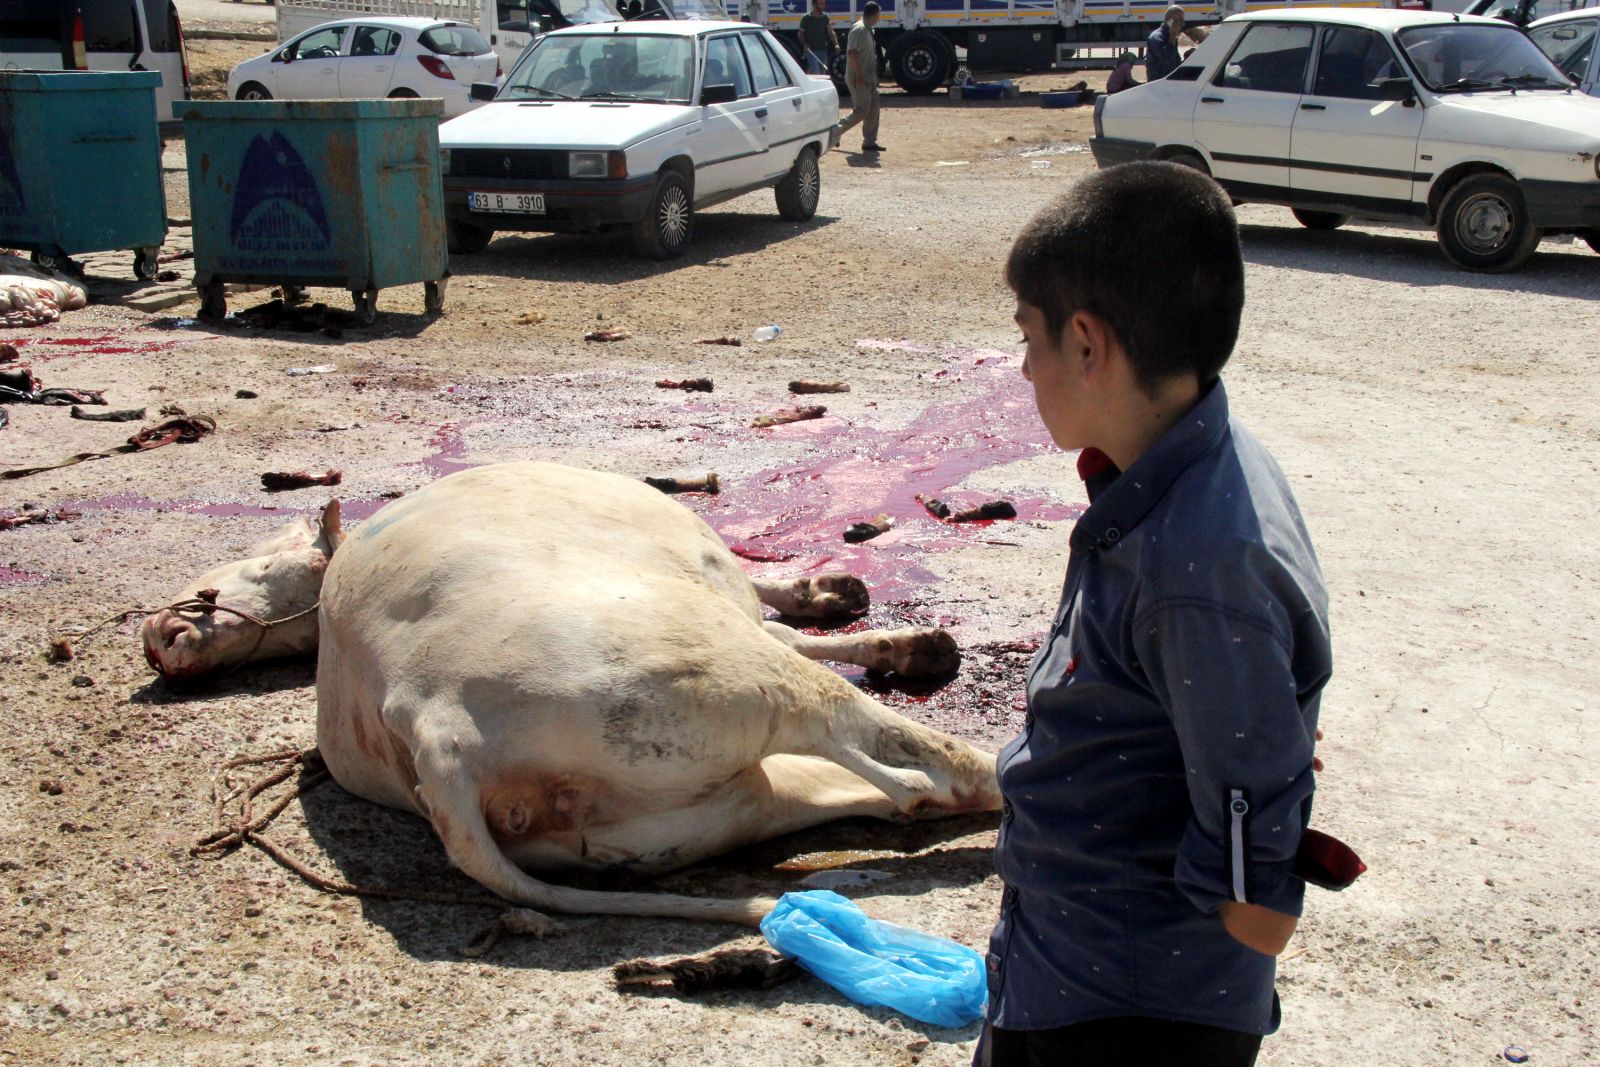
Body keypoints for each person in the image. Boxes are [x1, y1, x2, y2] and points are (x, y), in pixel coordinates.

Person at [975, 161, 1331, 1067]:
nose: (1022, 368)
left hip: (1126, 1017)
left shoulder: (1197, 566)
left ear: (1087, 343)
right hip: (1064, 974)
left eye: (1030, 337)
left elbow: (1258, 914)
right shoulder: (1176, 466)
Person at [838, 1, 886, 153]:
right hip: (858, 78)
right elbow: (852, 53)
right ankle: (834, 131)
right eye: (878, 15)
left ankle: (869, 142)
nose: (879, 18)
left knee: (874, 108)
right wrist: (858, 74)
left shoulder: (868, 29)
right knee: (862, 110)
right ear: (873, 15)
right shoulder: (858, 29)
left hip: (868, 78)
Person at [1145, 5, 1206, 81]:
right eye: (1180, 20)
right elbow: (1166, 63)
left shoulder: (1170, 36)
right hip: (1159, 82)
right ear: (1170, 21)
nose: (1182, 24)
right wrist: (1172, 38)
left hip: (1171, 79)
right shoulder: (1156, 38)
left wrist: (1190, 58)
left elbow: (1175, 63)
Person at [798, 0, 838, 76]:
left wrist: (836, 44)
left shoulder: (825, 17)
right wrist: (805, 44)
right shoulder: (806, 18)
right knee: (816, 73)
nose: (823, 5)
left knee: (823, 74)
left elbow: (831, 32)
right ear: (814, 4)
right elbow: (800, 34)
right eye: (821, 3)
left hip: (823, 50)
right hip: (812, 52)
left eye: (824, 3)